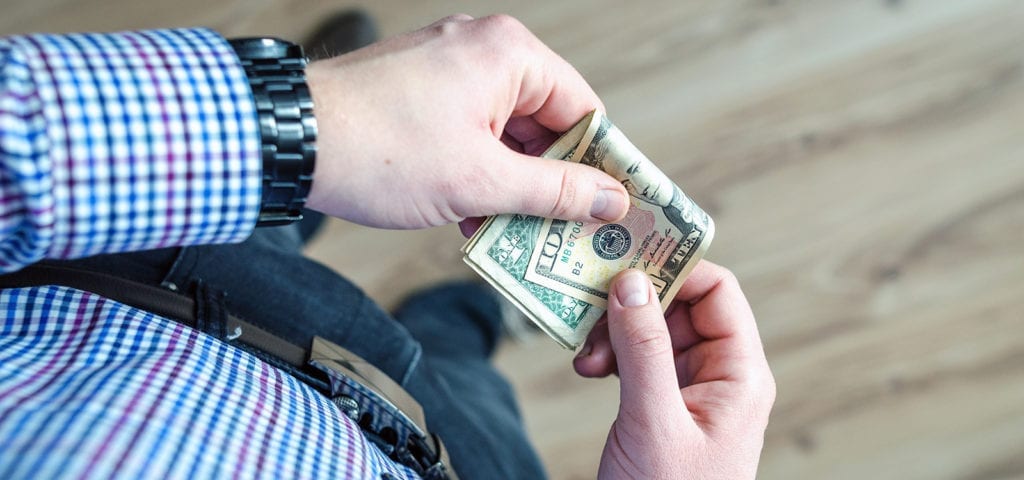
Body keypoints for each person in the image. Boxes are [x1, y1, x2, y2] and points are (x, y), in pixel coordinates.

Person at [0, 11, 775, 480]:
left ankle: (299, 186)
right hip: (455, 460)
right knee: (474, 383)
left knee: (265, 217)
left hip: (146, 300)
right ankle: (467, 316)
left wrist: (303, 120)